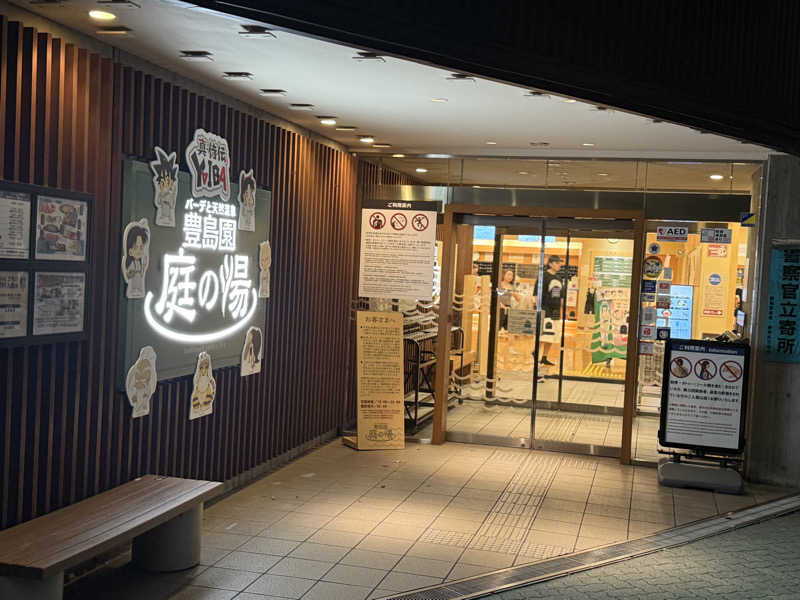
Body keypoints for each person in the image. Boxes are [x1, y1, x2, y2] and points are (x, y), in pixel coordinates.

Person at [538, 255, 564, 366]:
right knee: (544, 333)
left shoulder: (559, 278)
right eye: (557, 263)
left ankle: (544, 357)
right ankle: (535, 352)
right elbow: (537, 293)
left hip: (555, 310)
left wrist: (561, 309)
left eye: (559, 263)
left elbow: (560, 296)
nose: (559, 265)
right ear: (550, 264)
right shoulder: (543, 276)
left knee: (553, 334)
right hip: (545, 308)